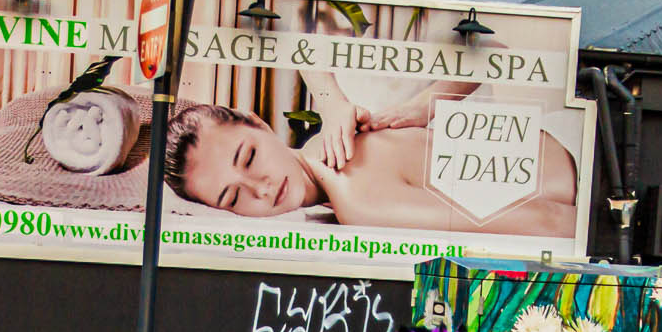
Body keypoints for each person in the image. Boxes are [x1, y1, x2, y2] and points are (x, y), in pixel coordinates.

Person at [163, 101, 577, 237]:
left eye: (250, 157)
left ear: (258, 123)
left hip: (588, 171)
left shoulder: (355, 197)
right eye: (234, 197)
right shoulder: (338, 146)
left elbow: (553, 223)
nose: (262, 189)